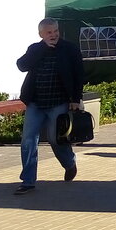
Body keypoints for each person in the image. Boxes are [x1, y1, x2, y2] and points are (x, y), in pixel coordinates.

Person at [14, 18, 84, 195]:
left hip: (58, 102)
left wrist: (76, 99)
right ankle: (28, 181)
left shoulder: (69, 49)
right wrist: (42, 49)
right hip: (36, 103)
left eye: (55, 31)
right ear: (41, 35)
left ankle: (69, 163)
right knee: (28, 141)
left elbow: (79, 74)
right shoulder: (35, 49)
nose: (53, 35)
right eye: (49, 33)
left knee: (56, 139)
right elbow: (22, 66)